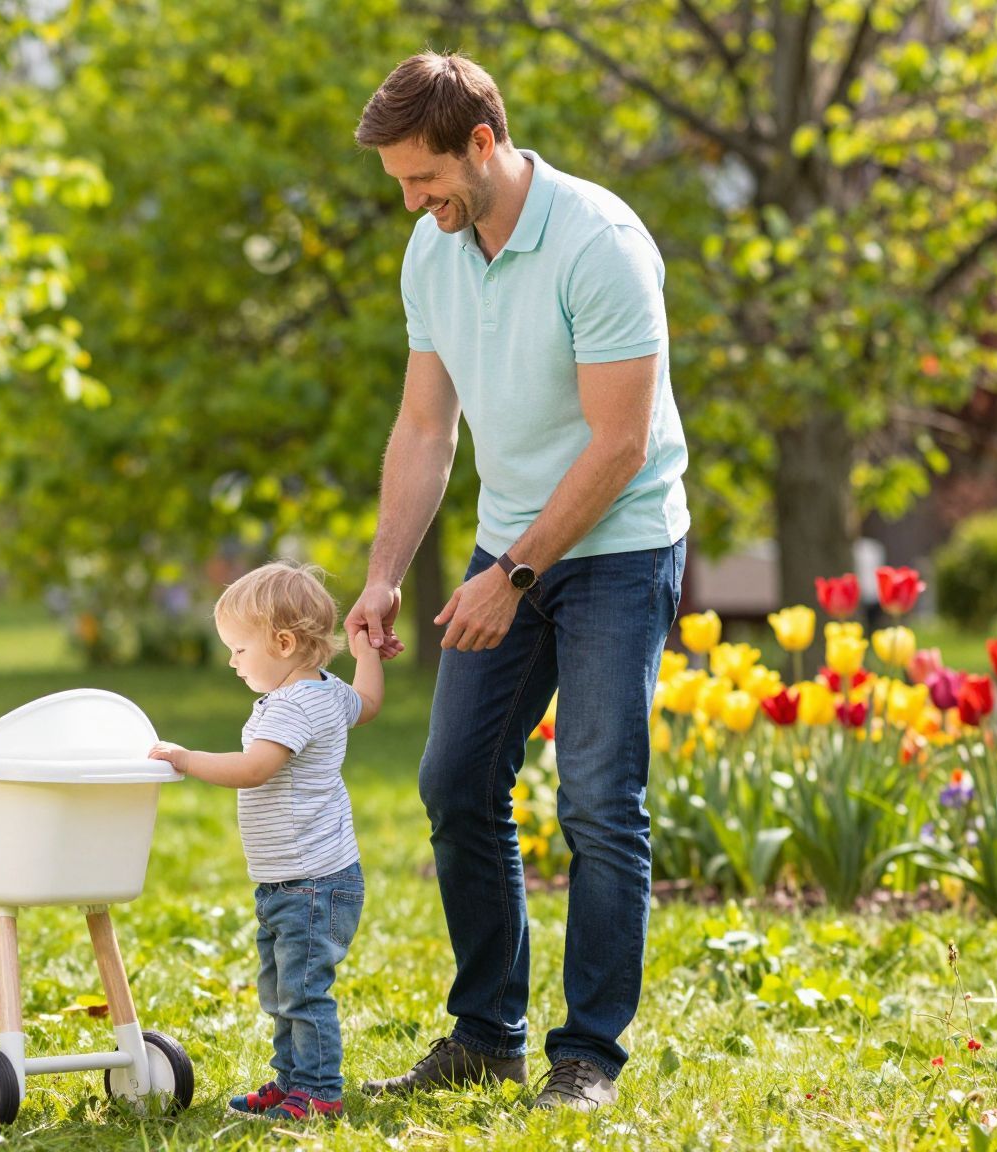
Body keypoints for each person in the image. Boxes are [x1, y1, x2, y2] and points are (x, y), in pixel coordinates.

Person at [344, 53, 690, 1112]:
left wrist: (514, 575)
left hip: (620, 547)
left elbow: (621, 444)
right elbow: (425, 425)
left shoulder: (599, 244)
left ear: (482, 143)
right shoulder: (433, 250)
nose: (412, 202)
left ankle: (586, 1055)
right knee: (455, 782)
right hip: (509, 545)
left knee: (597, 798)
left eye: (423, 177)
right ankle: (486, 1035)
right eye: (401, 183)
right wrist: (384, 575)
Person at [146, 562, 388, 1121]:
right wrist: (366, 653)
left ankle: (319, 1092)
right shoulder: (327, 692)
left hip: (310, 883)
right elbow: (370, 703)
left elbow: (254, 769)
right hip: (298, 880)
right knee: (282, 989)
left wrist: (186, 759)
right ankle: (291, 1082)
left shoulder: (293, 705)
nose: (232, 661)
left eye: (238, 649)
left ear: (282, 644)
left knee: (301, 991)